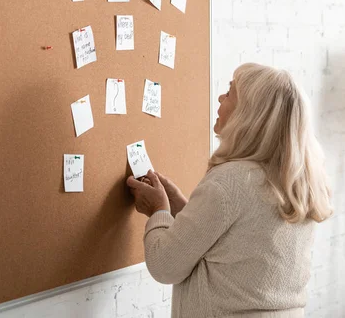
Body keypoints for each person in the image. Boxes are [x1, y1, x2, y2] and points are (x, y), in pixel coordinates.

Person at [127, 62, 332, 318]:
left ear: (249, 114)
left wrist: (158, 210)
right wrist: (179, 206)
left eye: (230, 92)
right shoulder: (295, 181)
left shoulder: (230, 181)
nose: (221, 97)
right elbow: (229, 236)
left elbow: (165, 265)